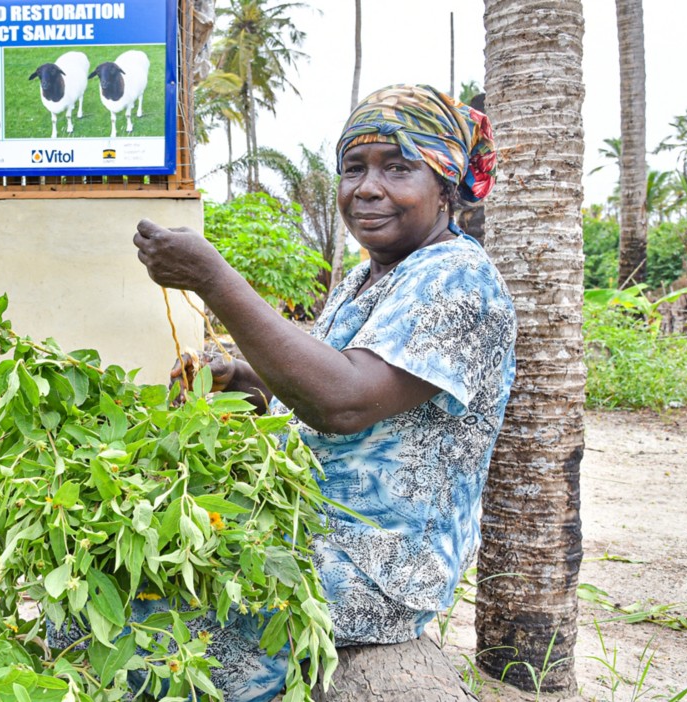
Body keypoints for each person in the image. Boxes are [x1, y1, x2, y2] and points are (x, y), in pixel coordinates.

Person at [130, 84, 515, 700]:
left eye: (398, 167)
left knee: (147, 628)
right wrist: (240, 378)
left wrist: (213, 279)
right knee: (124, 564)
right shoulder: (370, 277)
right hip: (313, 535)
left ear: (446, 187)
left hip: (379, 566)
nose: (367, 187)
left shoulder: (456, 277)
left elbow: (344, 400)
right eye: (353, 168)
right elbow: (324, 381)